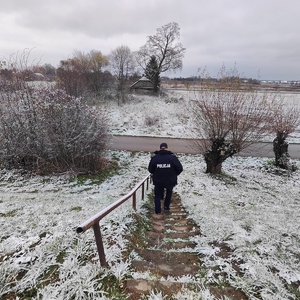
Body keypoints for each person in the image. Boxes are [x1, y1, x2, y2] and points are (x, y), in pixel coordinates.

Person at [148, 142, 183, 214]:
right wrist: (175, 174)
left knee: (157, 195)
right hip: (170, 180)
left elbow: (150, 169)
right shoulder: (172, 158)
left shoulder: (155, 158)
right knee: (169, 192)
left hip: (158, 180)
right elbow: (180, 168)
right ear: (167, 148)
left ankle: (158, 211)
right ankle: (166, 207)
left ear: (160, 148)